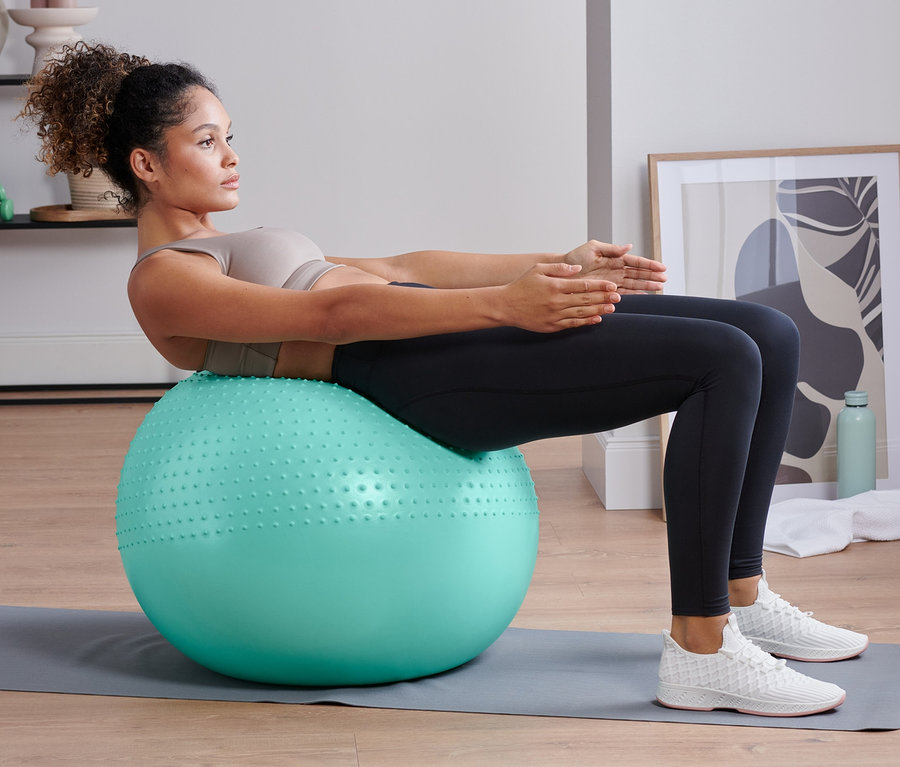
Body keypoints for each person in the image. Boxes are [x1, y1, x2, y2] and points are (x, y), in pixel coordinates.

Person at [21, 42, 869, 717]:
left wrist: (552, 260)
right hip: (414, 376)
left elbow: (395, 267)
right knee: (721, 361)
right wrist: (504, 305)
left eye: (231, 135)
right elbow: (328, 319)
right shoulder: (163, 276)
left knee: (767, 330)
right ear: (146, 164)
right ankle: (701, 647)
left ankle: (743, 593)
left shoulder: (233, 236)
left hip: (432, 327)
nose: (232, 156)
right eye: (207, 141)